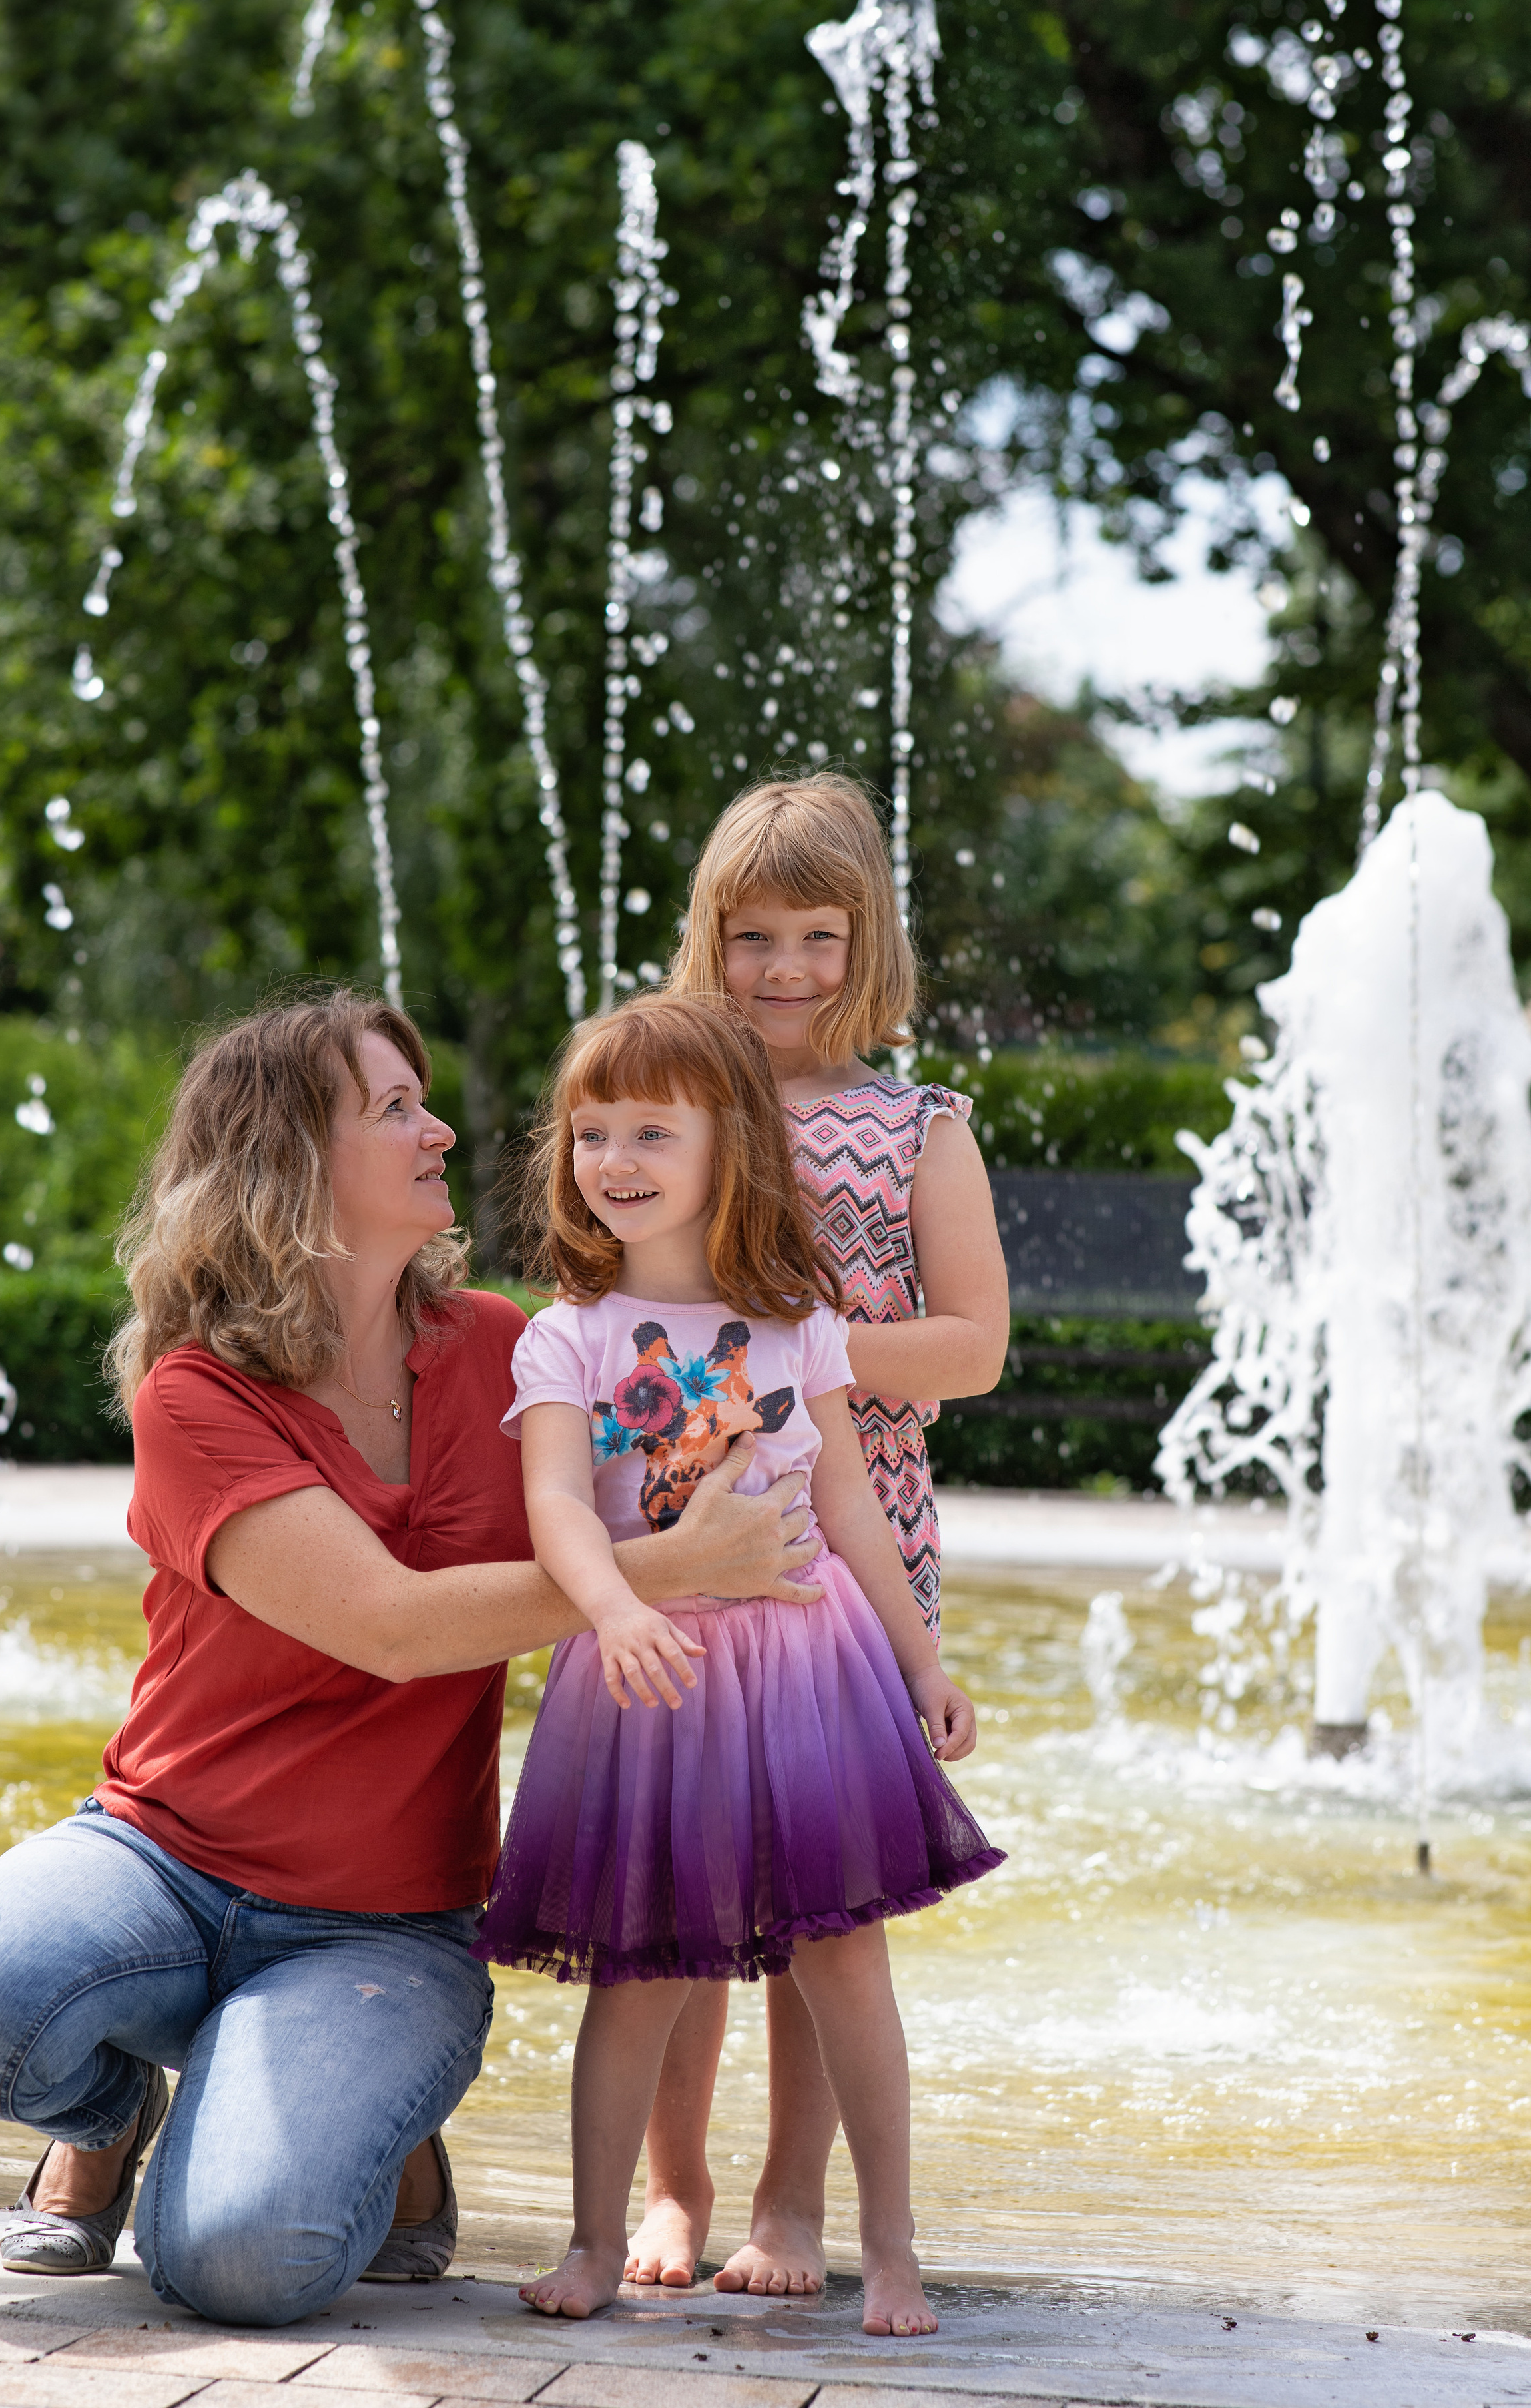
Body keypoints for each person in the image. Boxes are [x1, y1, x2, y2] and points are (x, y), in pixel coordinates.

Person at [0, 988, 820, 2329]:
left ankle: (355, 2117)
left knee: (241, 2266)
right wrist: (657, 1577)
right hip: (161, 1864)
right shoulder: (195, 1392)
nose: (437, 1129)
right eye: (391, 1108)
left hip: (381, 1926)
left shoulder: (510, 1352)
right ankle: (108, 2102)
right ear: (289, 1164)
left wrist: (861, 1573)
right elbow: (382, 1623)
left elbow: (727, 1401)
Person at [472, 996, 1004, 2337]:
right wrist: (614, 1610)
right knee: (641, 1968)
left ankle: (885, 2247)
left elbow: (848, 1509)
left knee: (841, 1965)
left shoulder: (796, 1320)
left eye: (652, 1127)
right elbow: (553, 1508)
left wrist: (918, 1664)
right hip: (647, 1680)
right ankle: (601, 2236)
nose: (615, 1156)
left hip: (806, 1675)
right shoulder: (569, 1335)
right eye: (592, 1131)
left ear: (730, 1149)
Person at [633, 770, 1011, 2296]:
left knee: (815, 1893)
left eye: (817, 936)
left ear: (870, 945)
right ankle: (671, 2188)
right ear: (705, 940)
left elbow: (975, 1345)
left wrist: (815, 1352)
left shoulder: (916, 1129)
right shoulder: (665, 1097)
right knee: (670, 1873)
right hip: (675, 1523)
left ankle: (789, 2204)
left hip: (859, 1541)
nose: (783, 970)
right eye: (752, 937)